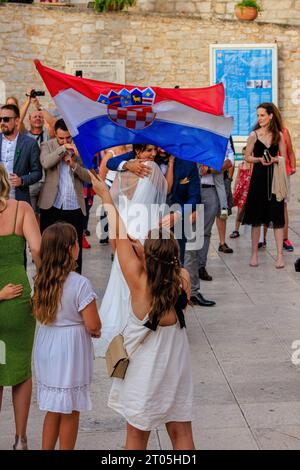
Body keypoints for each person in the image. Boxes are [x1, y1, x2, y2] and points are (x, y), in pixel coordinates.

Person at [90, 171, 195, 450]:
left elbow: (119, 237)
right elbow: (166, 264)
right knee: (182, 434)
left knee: (136, 438)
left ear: (147, 255)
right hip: (176, 369)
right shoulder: (182, 278)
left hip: (144, 373)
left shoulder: (139, 285)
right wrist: (147, 252)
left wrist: (104, 195)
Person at [32, 222, 101, 450]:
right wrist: (96, 330)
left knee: (54, 408)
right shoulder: (80, 284)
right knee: (70, 410)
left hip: (47, 347)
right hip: (69, 352)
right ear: (71, 249)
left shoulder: (41, 281)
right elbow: (93, 324)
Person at [93, 145, 167, 357]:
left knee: (124, 273)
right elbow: (164, 192)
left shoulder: (124, 171)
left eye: (154, 150)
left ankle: (126, 321)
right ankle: (141, 318)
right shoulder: (151, 168)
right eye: (148, 150)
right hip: (143, 227)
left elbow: (114, 194)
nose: (152, 154)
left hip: (126, 225)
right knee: (143, 273)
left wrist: (127, 165)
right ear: (138, 151)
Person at [0, 163, 41, 450]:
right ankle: (21, 438)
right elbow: (38, 251)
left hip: (2, 297)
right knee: (21, 370)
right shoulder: (21, 209)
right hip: (19, 300)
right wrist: (41, 288)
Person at [38, 119, 91, 274]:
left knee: (75, 252)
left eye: (68, 138)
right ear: (55, 134)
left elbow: (89, 177)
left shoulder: (80, 147)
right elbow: (46, 163)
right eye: (61, 138)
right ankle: (49, 283)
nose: (66, 141)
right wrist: (62, 149)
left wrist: (74, 163)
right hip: (51, 206)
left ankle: (75, 288)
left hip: (74, 206)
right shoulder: (47, 145)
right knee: (49, 249)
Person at [242, 102, 287, 268]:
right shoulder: (254, 135)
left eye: (262, 115)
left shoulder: (279, 136)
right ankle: (254, 254)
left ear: (270, 116)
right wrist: (259, 159)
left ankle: (280, 256)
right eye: (258, 115)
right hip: (259, 178)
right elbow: (247, 157)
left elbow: (284, 157)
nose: (259, 118)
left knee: (277, 217)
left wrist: (275, 159)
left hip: (275, 179)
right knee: (256, 218)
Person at [0, 104, 42, 203]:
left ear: (17, 121)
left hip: (18, 199)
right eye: (0, 119)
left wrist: (22, 180)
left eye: (6, 119)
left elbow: (37, 173)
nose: (2, 122)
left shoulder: (30, 143)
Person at [230, 147, 252, 239]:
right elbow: (238, 177)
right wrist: (235, 188)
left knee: (250, 210)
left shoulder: (252, 166)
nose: (244, 156)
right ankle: (236, 230)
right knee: (239, 209)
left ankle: (251, 230)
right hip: (241, 190)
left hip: (249, 190)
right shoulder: (241, 165)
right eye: (243, 154)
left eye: (245, 154)